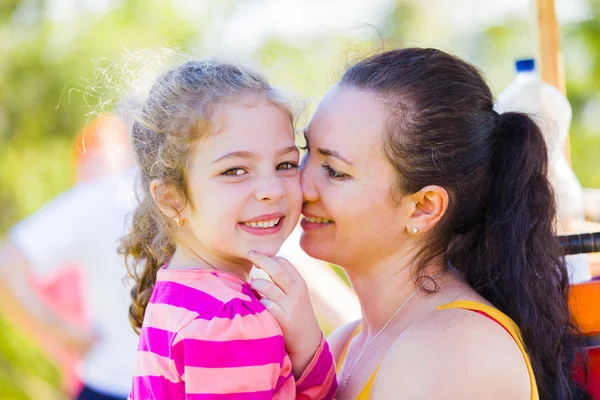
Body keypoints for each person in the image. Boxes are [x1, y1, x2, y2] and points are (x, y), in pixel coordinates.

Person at [250, 48, 591, 399]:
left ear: (423, 208)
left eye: (335, 172)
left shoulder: (456, 348)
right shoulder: (344, 344)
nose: (299, 186)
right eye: (306, 153)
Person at [124, 59, 337, 399]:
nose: (273, 189)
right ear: (172, 198)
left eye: (285, 164)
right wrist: (311, 343)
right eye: (235, 170)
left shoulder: (180, 297)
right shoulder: (228, 321)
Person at [0, 117, 140, 400]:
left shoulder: (97, 200)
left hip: (108, 382)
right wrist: (62, 334)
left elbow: (8, 265)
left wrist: (61, 334)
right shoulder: (196, 191)